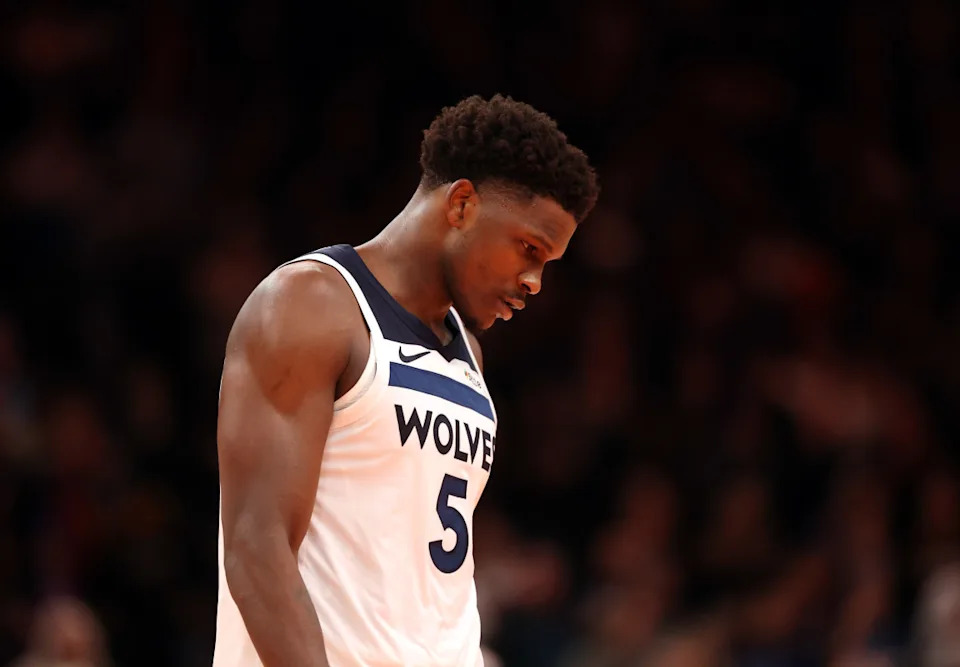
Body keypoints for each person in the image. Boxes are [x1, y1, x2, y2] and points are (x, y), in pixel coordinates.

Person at [213, 94, 599, 666]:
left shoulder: (471, 356)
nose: (534, 281)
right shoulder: (311, 305)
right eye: (528, 249)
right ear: (462, 203)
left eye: (547, 263)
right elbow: (255, 547)